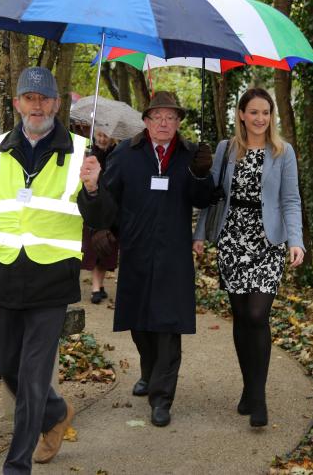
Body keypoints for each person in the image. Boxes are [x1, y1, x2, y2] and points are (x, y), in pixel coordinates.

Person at [0, 66, 104, 474]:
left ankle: (16, 466)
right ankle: (55, 413)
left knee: (34, 375)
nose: (37, 106)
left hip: (53, 278)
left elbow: (105, 219)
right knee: (10, 366)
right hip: (4, 275)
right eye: (28, 98)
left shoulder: (82, 151)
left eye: (44, 98)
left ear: (56, 103)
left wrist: (94, 188)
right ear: (17, 103)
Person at [89, 90, 214, 428]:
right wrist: (101, 228)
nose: (164, 122)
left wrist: (203, 174)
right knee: (140, 323)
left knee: (168, 326)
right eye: (157, 116)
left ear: (178, 123)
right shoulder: (127, 155)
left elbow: (205, 198)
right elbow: (107, 196)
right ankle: (148, 371)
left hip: (174, 253)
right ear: (145, 121)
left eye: (171, 117)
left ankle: (162, 397)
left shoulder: (191, 155)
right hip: (137, 251)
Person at [193, 87, 304, 428]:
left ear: (271, 117)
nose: (260, 118)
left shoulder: (283, 153)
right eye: (253, 112)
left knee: (258, 313)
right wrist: (198, 236)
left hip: (267, 240)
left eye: (265, 113)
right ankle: (248, 388)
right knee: (241, 315)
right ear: (241, 114)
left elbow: (290, 200)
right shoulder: (226, 150)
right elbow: (211, 197)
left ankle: (258, 397)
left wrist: (296, 241)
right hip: (232, 238)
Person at [80, 130, 119, 304]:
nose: (102, 139)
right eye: (99, 136)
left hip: (112, 207)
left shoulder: (118, 154)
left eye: (105, 136)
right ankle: (96, 288)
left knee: (106, 250)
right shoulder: (89, 153)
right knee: (94, 247)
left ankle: (100, 285)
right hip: (94, 205)